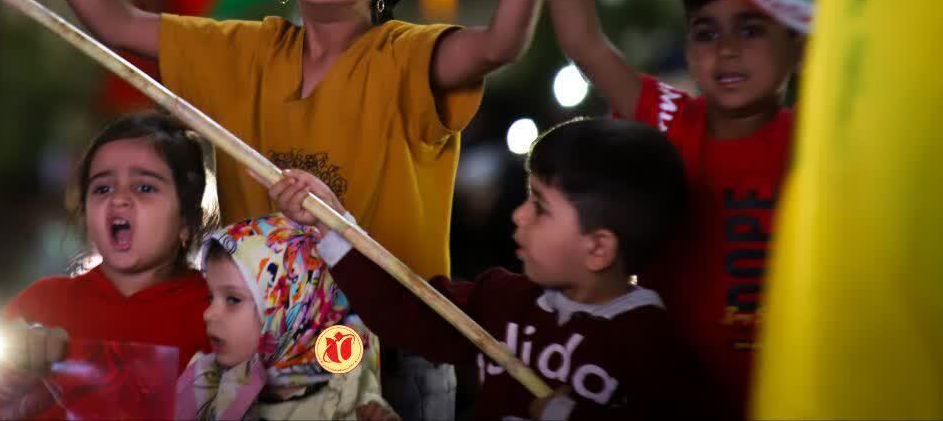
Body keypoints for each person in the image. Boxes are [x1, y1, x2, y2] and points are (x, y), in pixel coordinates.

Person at [0, 0, 594, 418]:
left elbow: (500, 44)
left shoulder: (407, 54)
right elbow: (115, 22)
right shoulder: (243, 51)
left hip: (396, 360)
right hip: (260, 362)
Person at [537, 0, 804, 417]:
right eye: (706, 33)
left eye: (750, 29)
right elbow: (587, 45)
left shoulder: (815, 142)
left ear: (798, 46)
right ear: (686, 47)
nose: (726, 49)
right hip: (664, 399)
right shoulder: (667, 122)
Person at [269, 118, 715, 420]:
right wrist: (332, 224)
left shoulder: (653, 349)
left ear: (598, 248)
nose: (518, 215)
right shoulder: (505, 298)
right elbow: (406, 309)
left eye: (540, 206)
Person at [0, 112, 219, 418]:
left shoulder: (218, 310)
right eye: (102, 188)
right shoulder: (41, 303)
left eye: (145, 187)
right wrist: (13, 372)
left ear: (187, 219)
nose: (119, 199)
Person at [177, 214, 396, 420]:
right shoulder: (203, 384)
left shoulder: (346, 398)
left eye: (233, 299)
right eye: (210, 297)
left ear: (294, 309)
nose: (208, 313)